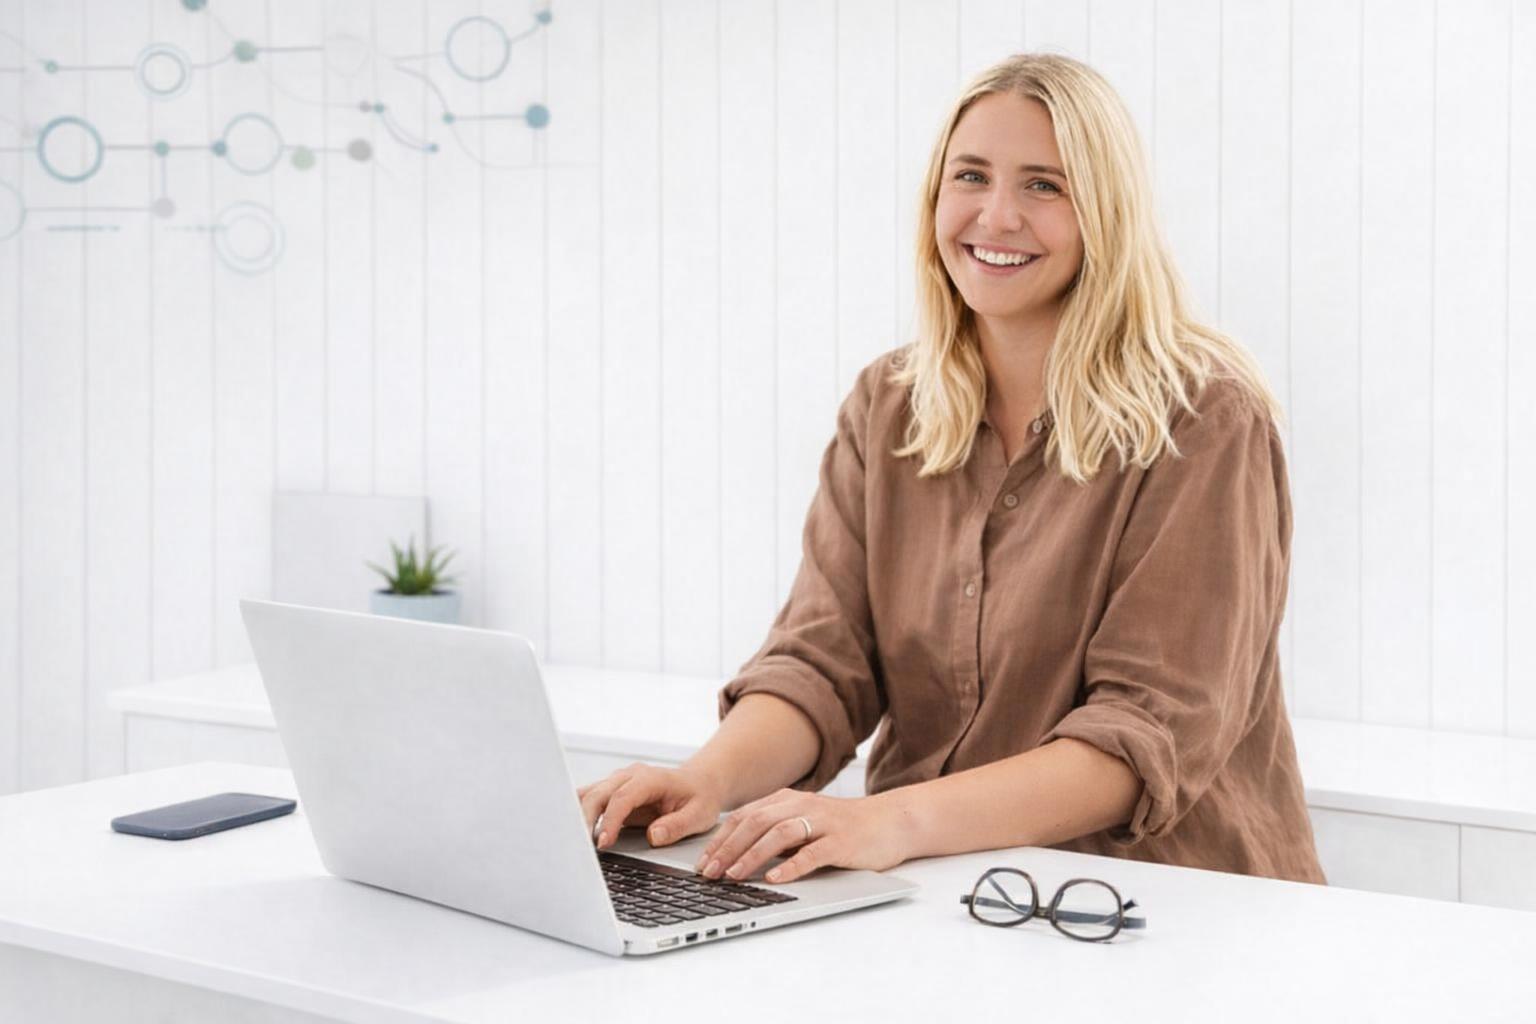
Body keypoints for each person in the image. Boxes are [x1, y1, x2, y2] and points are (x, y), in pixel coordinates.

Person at [578, 52, 1325, 888]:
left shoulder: (1202, 418)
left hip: (1159, 908)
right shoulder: (889, 404)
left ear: (1107, 213)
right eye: (971, 176)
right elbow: (823, 666)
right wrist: (703, 782)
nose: (996, 216)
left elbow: (1138, 738)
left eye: (1046, 185)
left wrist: (883, 820)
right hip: (938, 900)